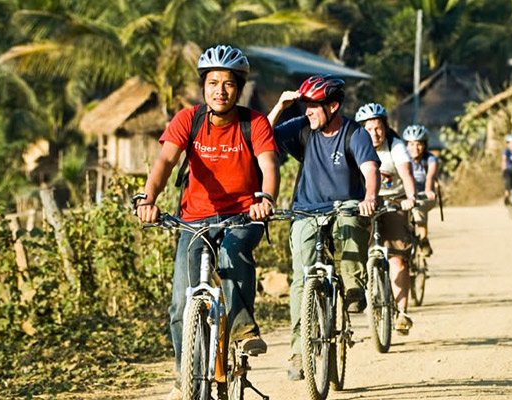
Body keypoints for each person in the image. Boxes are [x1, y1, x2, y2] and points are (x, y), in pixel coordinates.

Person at [136, 45, 280, 399]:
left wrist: (266, 199)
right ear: (203, 86)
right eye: (213, 83)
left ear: (239, 87)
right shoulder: (188, 120)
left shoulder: (254, 123)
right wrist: (148, 198)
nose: (220, 91)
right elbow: (165, 161)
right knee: (180, 306)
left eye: (228, 83)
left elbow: (269, 165)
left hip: (243, 215)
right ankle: (185, 375)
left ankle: (243, 328)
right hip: (195, 220)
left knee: (232, 251)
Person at [267, 75, 380, 381]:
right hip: (306, 210)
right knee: (301, 279)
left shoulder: (354, 133)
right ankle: (299, 351)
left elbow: (370, 169)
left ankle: (353, 287)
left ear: (333, 106)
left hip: (346, 206)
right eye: (305, 105)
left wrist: (369, 197)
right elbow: (262, 138)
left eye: (314, 106)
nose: (308, 111)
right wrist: (280, 107)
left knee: (351, 221)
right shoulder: (303, 128)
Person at [355, 103, 417, 335]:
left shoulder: (396, 146)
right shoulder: (355, 145)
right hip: (364, 202)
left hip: (395, 201)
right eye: (369, 129)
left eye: (378, 128)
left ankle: (402, 313)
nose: (375, 133)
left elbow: (406, 174)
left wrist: (410, 197)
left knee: (398, 258)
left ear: (386, 127)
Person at [402, 124, 438, 256]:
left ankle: (424, 240)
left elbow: (430, 177)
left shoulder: (430, 159)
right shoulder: (401, 158)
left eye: (419, 144)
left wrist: (428, 191)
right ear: (406, 145)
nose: (415, 148)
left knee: (418, 208)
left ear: (425, 145)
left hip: (424, 195)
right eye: (411, 144)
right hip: (404, 195)